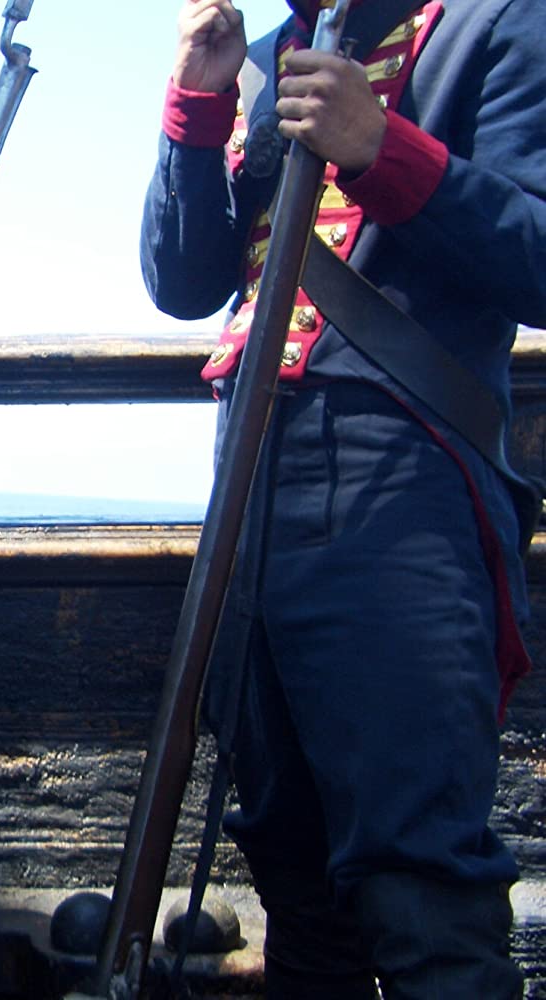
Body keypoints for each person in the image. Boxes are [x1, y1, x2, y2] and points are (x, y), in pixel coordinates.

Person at [141, 1, 546, 996]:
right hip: (248, 473)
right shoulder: (269, 54)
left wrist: (381, 151)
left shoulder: (504, 20)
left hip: (401, 473)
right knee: (294, 877)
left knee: (421, 892)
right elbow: (184, 283)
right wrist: (196, 108)